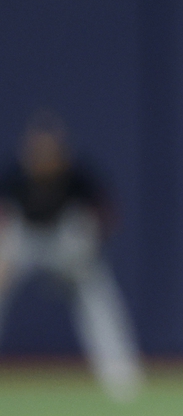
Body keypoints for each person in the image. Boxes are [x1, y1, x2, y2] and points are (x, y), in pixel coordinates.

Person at [0, 112, 143, 402]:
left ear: (60, 150)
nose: (42, 155)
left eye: (49, 148)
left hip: (66, 245)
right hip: (26, 240)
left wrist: (92, 244)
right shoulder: (15, 175)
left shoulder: (78, 174)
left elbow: (106, 214)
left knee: (97, 292)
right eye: (37, 148)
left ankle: (121, 378)